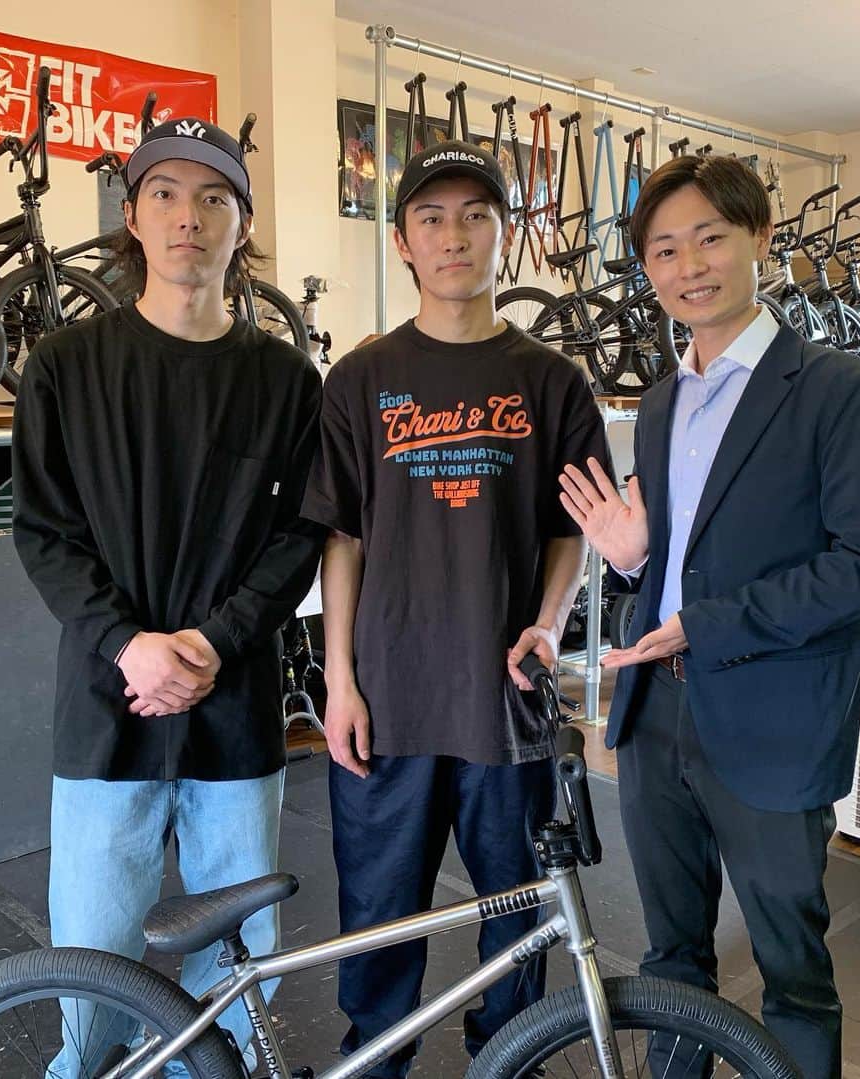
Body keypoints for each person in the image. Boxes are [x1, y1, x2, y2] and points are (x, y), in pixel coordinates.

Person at [558, 154, 860, 1079]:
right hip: (657, 714)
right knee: (672, 957)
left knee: (792, 969)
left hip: (773, 721)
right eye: (664, 250)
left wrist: (709, 624)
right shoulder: (663, 400)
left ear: (760, 238)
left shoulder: (838, 388)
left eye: (710, 238)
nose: (689, 267)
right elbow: (682, 555)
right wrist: (634, 560)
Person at [11, 117, 324, 1075]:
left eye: (214, 198)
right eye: (166, 194)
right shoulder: (65, 367)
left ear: (242, 224)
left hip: (234, 703)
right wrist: (129, 643)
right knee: (92, 962)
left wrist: (215, 642)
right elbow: (45, 531)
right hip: (108, 705)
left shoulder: (284, 378)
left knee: (243, 963)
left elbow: (300, 534)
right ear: (134, 217)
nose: (190, 216)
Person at [302, 140, 613, 1077]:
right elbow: (343, 538)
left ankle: (505, 1060)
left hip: (504, 698)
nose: (454, 236)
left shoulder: (552, 380)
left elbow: (572, 527)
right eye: (431, 218)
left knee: (519, 911)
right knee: (378, 914)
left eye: (476, 215)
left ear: (503, 235)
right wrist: (339, 679)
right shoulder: (361, 379)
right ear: (402, 240)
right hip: (388, 698)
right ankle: (376, 1064)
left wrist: (550, 622)